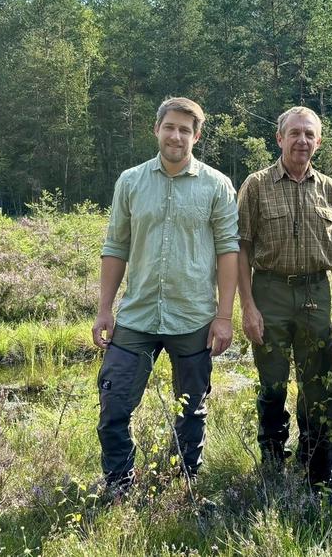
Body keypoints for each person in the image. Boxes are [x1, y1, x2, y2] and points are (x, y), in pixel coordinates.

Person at [92, 97, 239, 495]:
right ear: (156, 129)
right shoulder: (131, 181)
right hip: (137, 316)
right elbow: (115, 247)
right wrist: (105, 310)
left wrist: (224, 316)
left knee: (191, 409)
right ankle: (119, 483)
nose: (176, 135)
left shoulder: (217, 185)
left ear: (197, 135)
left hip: (193, 317)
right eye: (170, 127)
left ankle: (185, 483)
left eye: (185, 129)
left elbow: (229, 252)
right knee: (114, 406)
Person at [237, 106, 332, 487]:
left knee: (316, 383)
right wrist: (247, 306)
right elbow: (239, 248)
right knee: (272, 382)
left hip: (315, 293)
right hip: (270, 290)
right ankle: (273, 460)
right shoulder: (256, 185)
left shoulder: (331, 190)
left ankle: (313, 461)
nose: (302, 141)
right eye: (294, 133)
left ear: (318, 142)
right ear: (279, 138)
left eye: (309, 135)